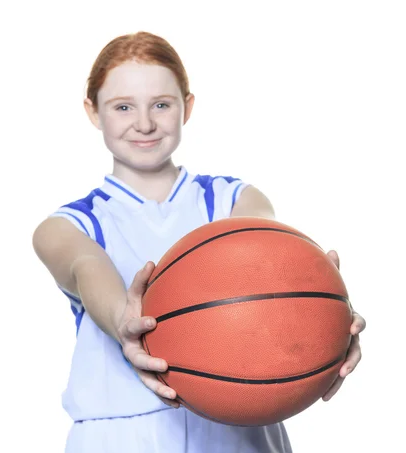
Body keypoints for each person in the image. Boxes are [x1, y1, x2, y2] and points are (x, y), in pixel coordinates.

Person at [32, 31, 366, 453]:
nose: (145, 123)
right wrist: (125, 321)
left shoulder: (235, 200)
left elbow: (273, 267)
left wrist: (328, 314)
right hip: (121, 438)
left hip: (242, 431)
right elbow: (86, 268)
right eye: (122, 107)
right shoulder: (69, 225)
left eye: (161, 104)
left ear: (186, 107)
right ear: (93, 112)